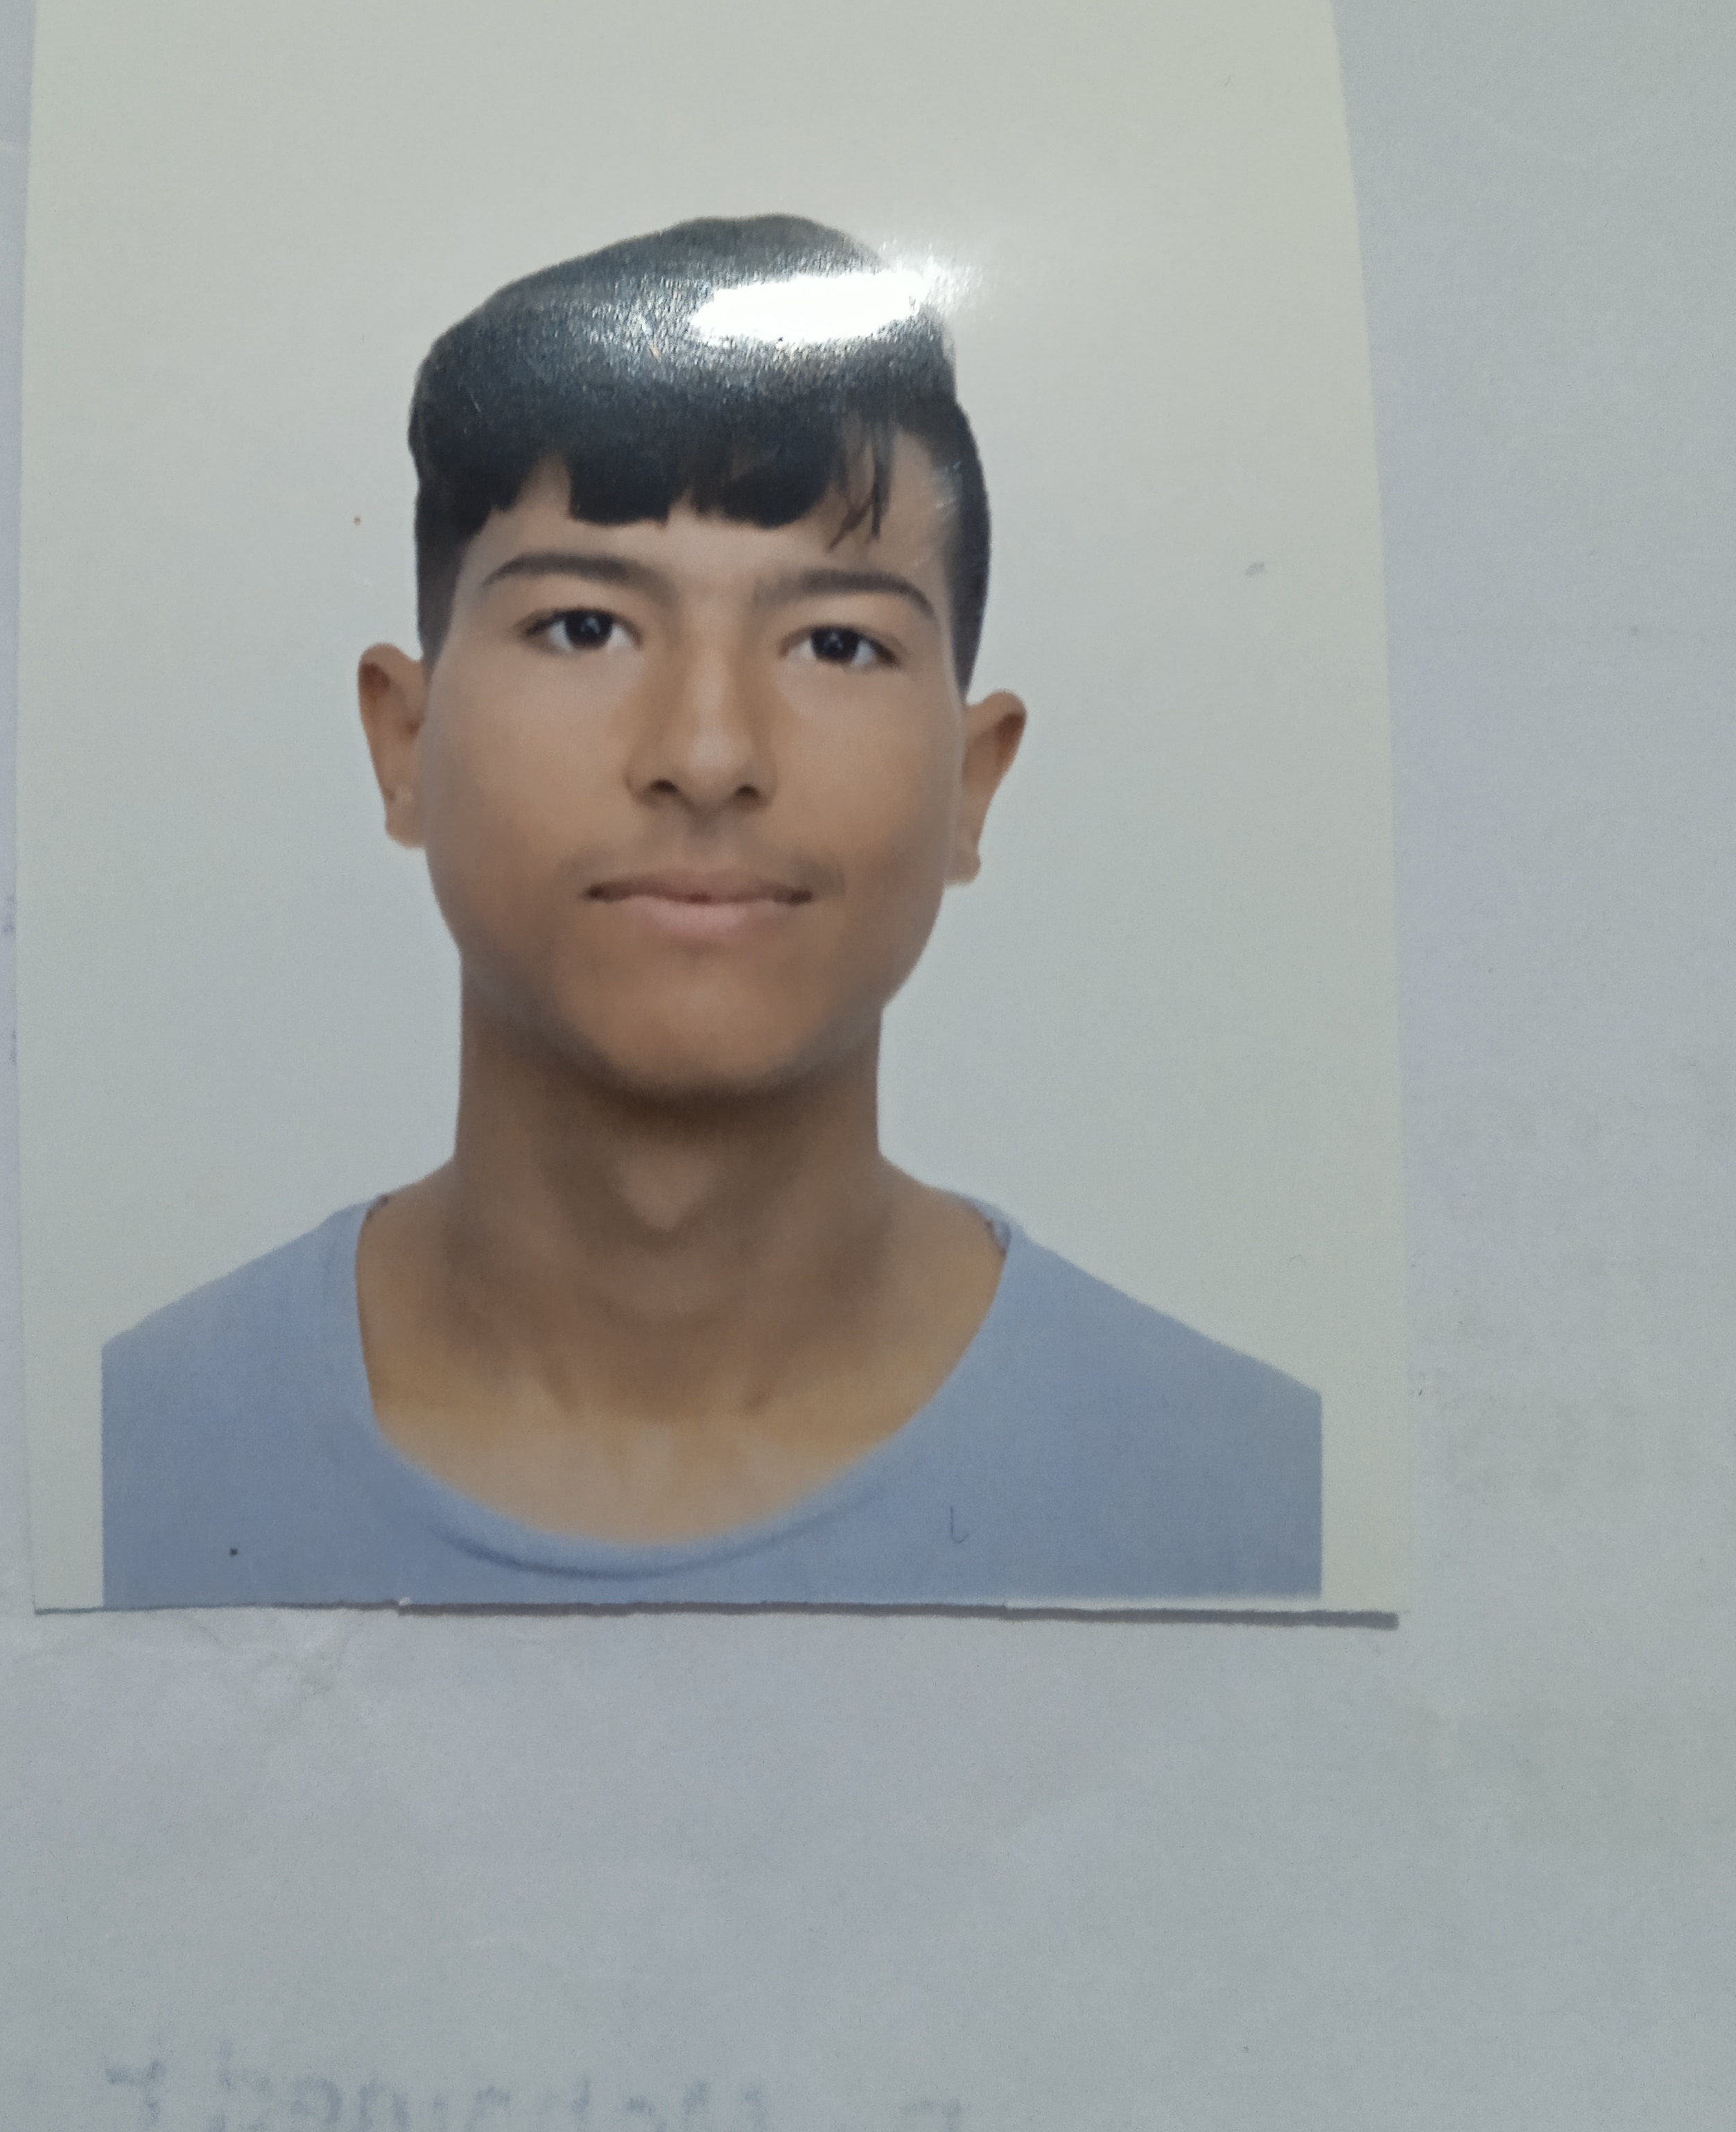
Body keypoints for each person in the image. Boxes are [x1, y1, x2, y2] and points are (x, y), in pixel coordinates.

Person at [102, 215, 1320, 1606]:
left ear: (972, 784)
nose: (707, 752)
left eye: (836, 642)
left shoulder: (1264, 1505)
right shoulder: (121, 1473)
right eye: (584, 626)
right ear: (403, 743)